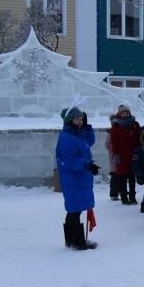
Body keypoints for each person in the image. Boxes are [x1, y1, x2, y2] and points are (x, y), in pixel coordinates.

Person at [55, 106, 99, 250]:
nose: (80, 121)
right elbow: (69, 160)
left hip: (79, 178)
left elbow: (89, 142)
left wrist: (87, 126)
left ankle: (70, 239)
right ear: (70, 120)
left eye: (81, 119)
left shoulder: (76, 134)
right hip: (74, 179)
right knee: (75, 210)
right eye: (77, 119)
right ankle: (78, 241)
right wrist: (87, 165)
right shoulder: (67, 138)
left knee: (74, 209)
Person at [108, 104, 141, 205]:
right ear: (120, 114)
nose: (125, 114)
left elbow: (138, 139)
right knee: (122, 177)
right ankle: (123, 197)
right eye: (123, 112)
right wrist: (116, 154)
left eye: (127, 112)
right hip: (121, 155)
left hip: (132, 154)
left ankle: (132, 196)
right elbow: (114, 141)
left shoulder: (135, 124)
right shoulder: (116, 125)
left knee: (132, 177)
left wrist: (137, 152)